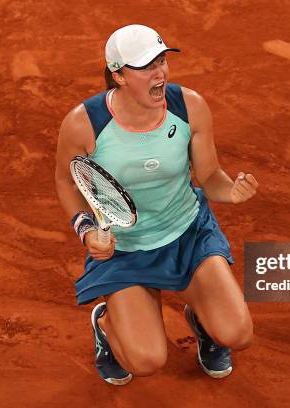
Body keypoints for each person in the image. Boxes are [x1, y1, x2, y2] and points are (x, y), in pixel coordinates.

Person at [55, 24, 258, 385]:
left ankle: (204, 321)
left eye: (162, 60)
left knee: (237, 334)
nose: (160, 72)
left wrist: (231, 191)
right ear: (118, 75)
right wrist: (86, 231)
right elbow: (66, 180)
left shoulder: (189, 107)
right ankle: (106, 323)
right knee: (146, 360)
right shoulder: (84, 124)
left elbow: (209, 176)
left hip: (187, 235)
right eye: (146, 66)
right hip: (126, 250)